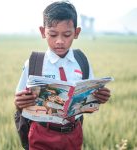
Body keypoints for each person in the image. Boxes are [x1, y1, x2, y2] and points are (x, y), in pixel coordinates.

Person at [14, 1, 111, 150]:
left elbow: (90, 97)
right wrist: (19, 102)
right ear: (42, 32)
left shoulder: (82, 61)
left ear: (76, 33)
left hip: (74, 133)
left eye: (67, 35)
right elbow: (19, 100)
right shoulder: (34, 63)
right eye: (52, 34)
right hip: (41, 134)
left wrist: (99, 97)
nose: (59, 41)